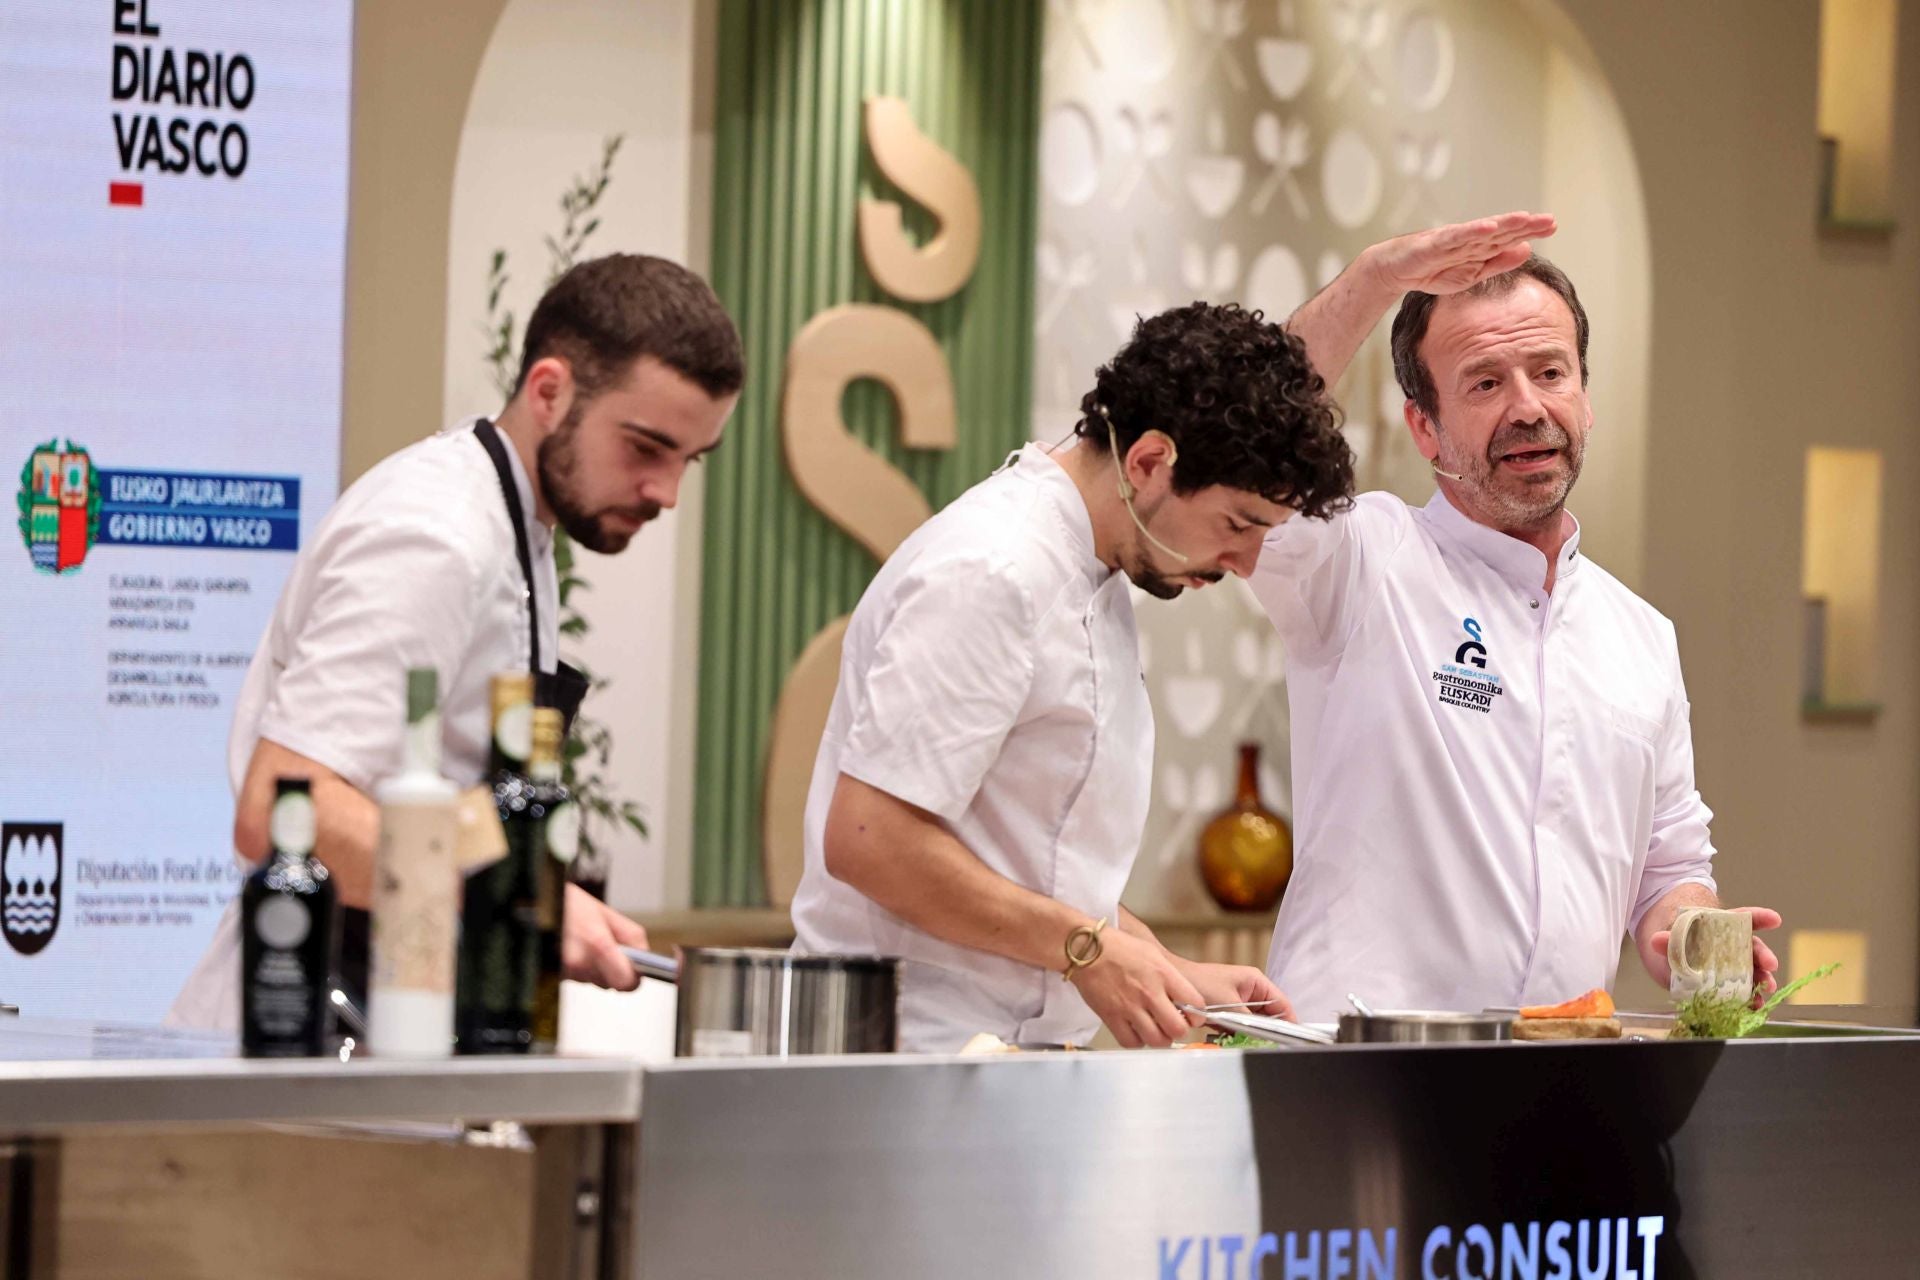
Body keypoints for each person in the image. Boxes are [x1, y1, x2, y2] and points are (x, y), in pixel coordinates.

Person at [789, 215, 1546, 1052]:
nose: (1245, 560)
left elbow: (1028, 860)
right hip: (907, 1055)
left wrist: (1162, 966)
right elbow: (870, 838)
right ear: (1150, 462)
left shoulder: (1096, 563)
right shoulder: (994, 569)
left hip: (996, 1058)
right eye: (1238, 524)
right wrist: (1086, 950)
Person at [170, 253, 743, 1027]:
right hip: (303, 1030)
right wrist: (515, 895)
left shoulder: (515, 528)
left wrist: (529, 886)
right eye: (645, 447)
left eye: (688, 461)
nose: (666, 493)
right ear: (549, 391)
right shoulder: (436, 537)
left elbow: (443, 799)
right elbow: (282, 807)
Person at [1262, 223, 1781, 1023]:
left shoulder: (1641, 635)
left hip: (1563, 1070)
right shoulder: (1360, 559)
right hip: (1356, 1066)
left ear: (1585, 398)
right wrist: (1373, 279)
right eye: (1484, 383)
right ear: (1424, 426)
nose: (1529, 407)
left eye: (1550, 373)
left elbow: (1669, 861)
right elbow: (1257, 431)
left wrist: (1688, 935)